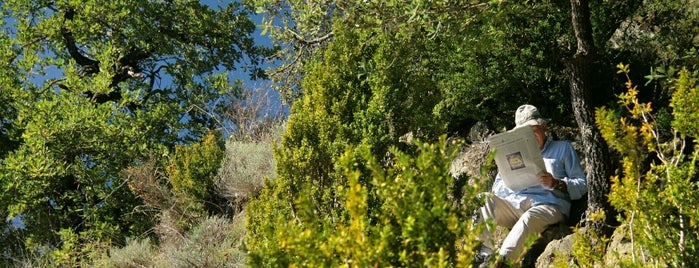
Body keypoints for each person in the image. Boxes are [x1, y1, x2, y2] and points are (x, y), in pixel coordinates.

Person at [473, 104, 587, 265]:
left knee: (529, 218)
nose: (530, 136)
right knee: (483, 198)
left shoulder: (562, 149)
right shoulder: (512, 153)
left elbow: (582, 184)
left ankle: (502, 263)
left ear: (543, 127)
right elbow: (496, 189)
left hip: (548, 206)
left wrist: (557, 183)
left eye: (532, 130)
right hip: (516, 206)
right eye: (523, 133)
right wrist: (510, 181)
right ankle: (484, 254)